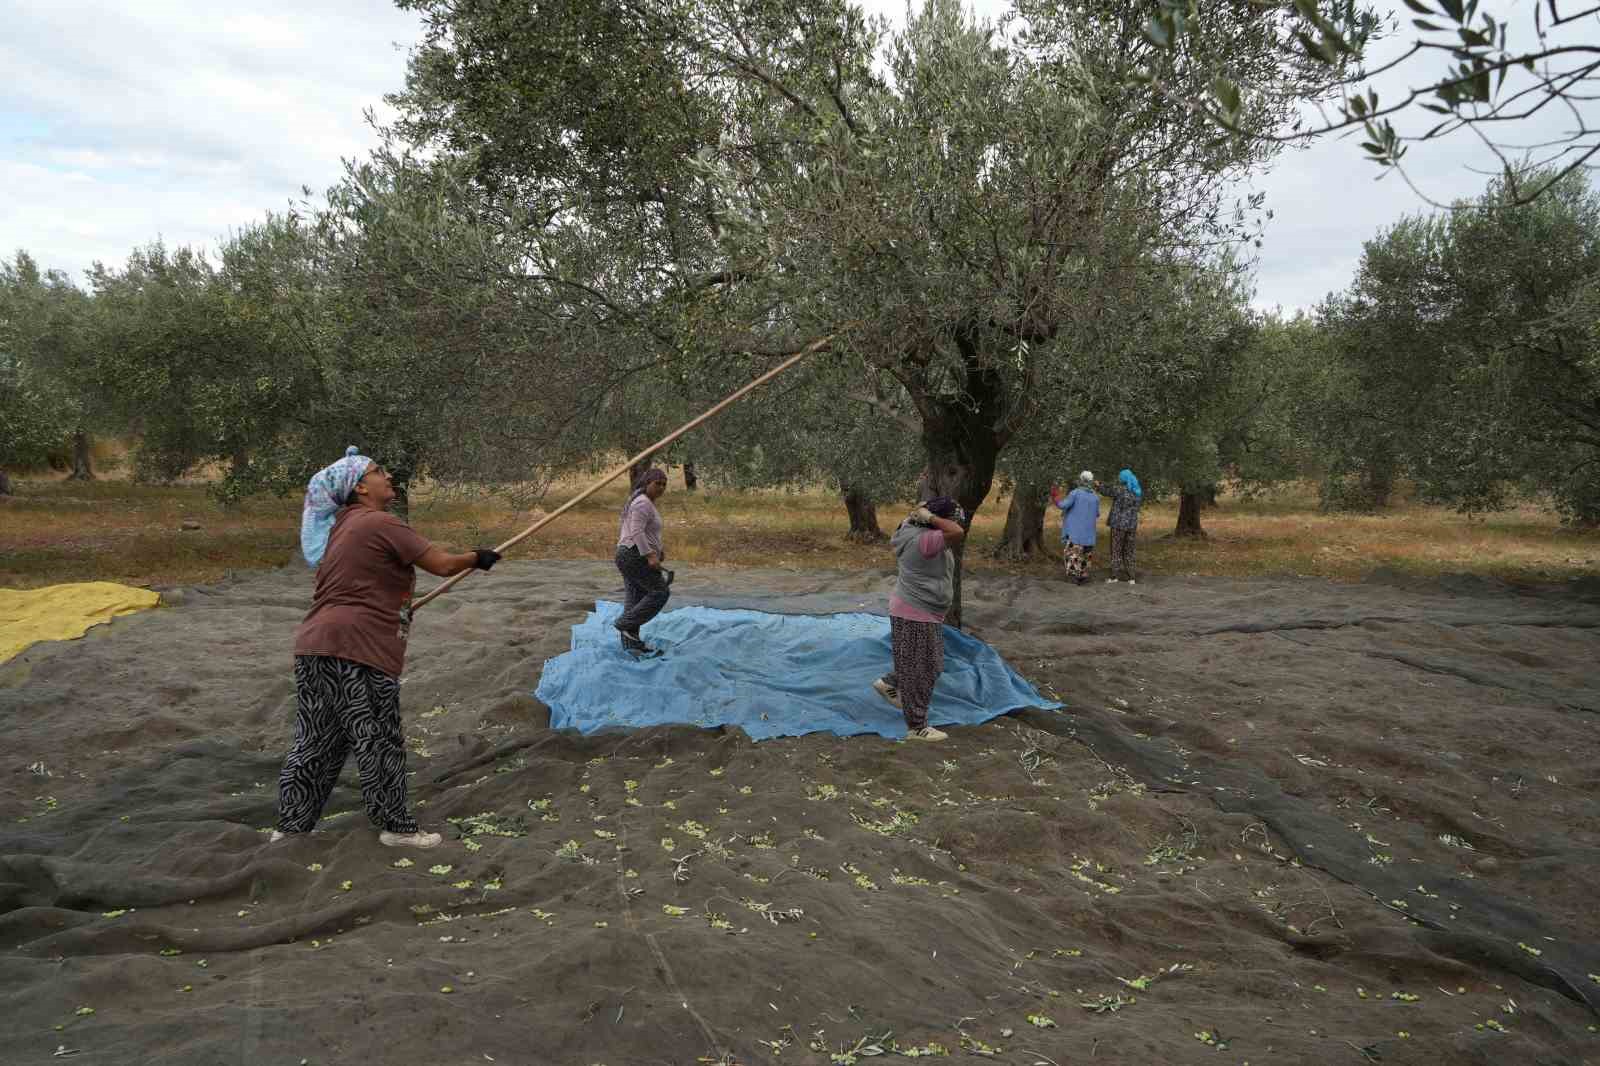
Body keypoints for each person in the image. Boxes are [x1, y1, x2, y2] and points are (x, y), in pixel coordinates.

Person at [273, 447, 501, 849]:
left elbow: (362, 582)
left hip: (315, 647)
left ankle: (291, 827)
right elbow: (443, 564)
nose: (388, 475)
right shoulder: (380, 522)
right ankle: (395, 827)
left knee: (317, 740)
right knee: (377, 738)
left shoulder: (343, 526)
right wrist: (478, 558)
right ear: (360, 487)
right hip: (356, 651)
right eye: (378, 471)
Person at [871, 496, 966, 742]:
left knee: (925, 664)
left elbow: (938, 522)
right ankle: (917, 727)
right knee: (923, 669)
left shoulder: (910, 529)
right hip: (916, 611)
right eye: (948, 518)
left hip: (917, 609)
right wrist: (932, 516)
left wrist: (926, 512)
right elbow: (957, 531)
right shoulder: (925, 540)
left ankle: (888, 683)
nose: (952, 522)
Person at [615, 467, 673, 656]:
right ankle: (624, 624)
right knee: (659, 592)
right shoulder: (642, 503)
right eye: (657, 484)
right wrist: (650, 555)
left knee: (634, 599)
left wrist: (658, 550)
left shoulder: (644, 502)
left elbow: (646, 532)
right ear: (647, 483)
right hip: (633, 555)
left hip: (627, 555)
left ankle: (631, 644)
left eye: (664, 484)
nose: (661, 488)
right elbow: (636, 532)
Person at [1051, 470, 1099, 585]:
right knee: (1086, 555)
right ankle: (1083, 575)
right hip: (1089, 533)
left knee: (1072, 554)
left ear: (1081, 480)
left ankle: (1075, 577)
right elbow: (1097, 514)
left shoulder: (1075, 493)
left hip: (1075, 531)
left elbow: (1063, 505)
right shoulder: (1095, 497)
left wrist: (1055, 496)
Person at [1105, 468, 1143, 584]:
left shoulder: (1120, 490)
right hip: (1131, 526)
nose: (1119, 478)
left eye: (1120, 477)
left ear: (1123, 479)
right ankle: (1131, 578)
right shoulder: (1137, 493)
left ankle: (1114, 577)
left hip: (1118, 525)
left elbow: (1107, 491)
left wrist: (1098, 485)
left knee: (1116, 550)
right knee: (1129, 551)